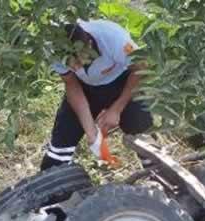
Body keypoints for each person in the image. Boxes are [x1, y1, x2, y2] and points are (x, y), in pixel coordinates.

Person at [40, 19, 153, 170]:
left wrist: (116, 109)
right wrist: (91, 131)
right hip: (84, 87)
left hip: (123, 82)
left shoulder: (114, 38)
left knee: (142, 133)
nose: (75, 67)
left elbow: (141, 68)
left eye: (79, 61)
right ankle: (54, 186)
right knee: (60, 146)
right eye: (69, 63)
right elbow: (71, 84)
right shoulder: (51, 48)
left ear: (90, 46)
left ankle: (158, 175)